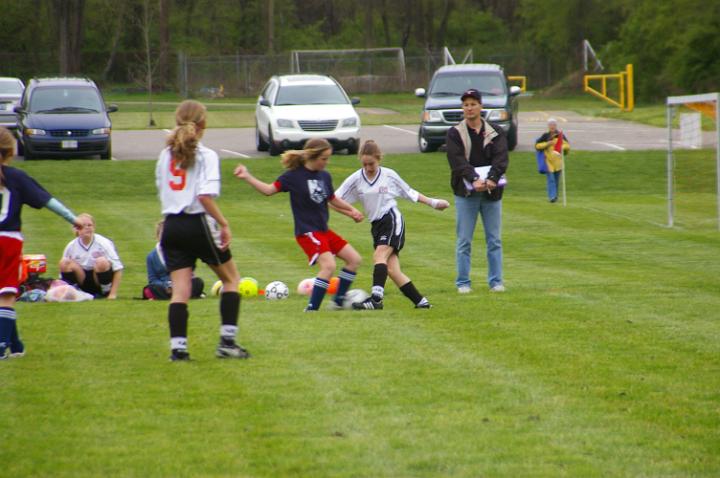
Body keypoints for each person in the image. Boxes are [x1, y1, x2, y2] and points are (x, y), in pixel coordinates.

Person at [156, 99, 249, 361]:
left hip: (171, 225)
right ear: (203, 124)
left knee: (180, 290)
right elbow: (204, 197)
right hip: (197, 222)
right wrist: (224, 223)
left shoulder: (165, 155)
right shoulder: (206, 155)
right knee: (231, 280)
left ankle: (178, 350)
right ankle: (227, 343)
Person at [234, 138, 364, 311]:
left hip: (323, 231)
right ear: (312, 156)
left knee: (354, 259)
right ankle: (312, 309)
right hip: (307, 232)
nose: (326, 162)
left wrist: (352, 210)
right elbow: (268, 190)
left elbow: (332, 199)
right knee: (329, 266)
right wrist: (247, 176)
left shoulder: (325, 176)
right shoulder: (293, 176)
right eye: (324, 158)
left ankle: (338, 302)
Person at [334, 140, 449, 310]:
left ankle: (376, 300)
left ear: (379, 159)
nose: (368, 168)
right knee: (392, 270)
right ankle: (422, 303)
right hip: (376, 226)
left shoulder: (389, 175)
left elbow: (410, 193)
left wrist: (434, 203)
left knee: (379, 256)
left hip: (391, 219)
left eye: (371, 164)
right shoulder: (356, 179)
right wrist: (350, 212)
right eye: (365, 164)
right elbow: (333, 200)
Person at [0, 126, 82, 360]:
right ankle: (1, 346)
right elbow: (47, 201)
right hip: (8, 240)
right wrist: (73, 219)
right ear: (11, 152)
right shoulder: (16, 177)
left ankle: (16, 345)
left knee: (2, 294)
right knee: (7, 295)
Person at [446, 88, 509, 294]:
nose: (469, 108)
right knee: (464, 240)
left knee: (494, 240)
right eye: (466, 105)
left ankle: (496, 281)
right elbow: (456, 161)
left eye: (473, 104)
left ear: (480, 106)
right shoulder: (455, 133)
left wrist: (492, 179)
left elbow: (501, 158)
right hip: (466, 193)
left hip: (492, 192)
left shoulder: (495, 131)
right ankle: (463, 282)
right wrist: (473, 179)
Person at [59, 213, 123, 299]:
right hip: (82, 278)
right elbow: (62, 273)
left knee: (101, 261)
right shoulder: (71, 246)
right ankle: (75, 291)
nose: (87, 228)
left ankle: (105, 291)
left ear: (94, 227)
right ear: (76, 229)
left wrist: (113, 294)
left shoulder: (103, 243)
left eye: (90, 225)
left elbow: (118, 268)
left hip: (98, 278)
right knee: (64, 262)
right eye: (83, 226)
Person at [144, 220, 204, 300]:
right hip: (164, 287)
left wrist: (180, 284)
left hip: (181, 284)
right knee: (150, 288)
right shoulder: (151, 257)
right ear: (158, 236)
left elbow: (189, 273)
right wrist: (167, 286)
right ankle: (183, 295)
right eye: (163, 234)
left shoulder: (182, 251)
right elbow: (153, 280)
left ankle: (174, 295)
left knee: (198, 282)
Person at [535, 118, 570, 203]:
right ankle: (552, 197)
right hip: (548, 162)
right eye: (550, 125)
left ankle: (555, 196)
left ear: (556, 126)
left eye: (554, 125)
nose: (552, 126)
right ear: (548, 126)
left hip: (558, 162)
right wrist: (547, 144)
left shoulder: (560, 135)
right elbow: (537, 145)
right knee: (551, 180)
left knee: (556, 180)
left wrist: (561, 147)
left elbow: (567, 145)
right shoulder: (545, 136)